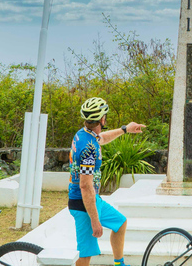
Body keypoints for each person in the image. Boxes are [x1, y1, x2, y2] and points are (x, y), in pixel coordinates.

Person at [68, 97, 146, 266]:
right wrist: (94, 220)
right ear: (102, 119)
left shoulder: (85, 135)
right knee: (86, 254)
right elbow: (85, 185)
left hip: (91, 200)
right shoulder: (89, 149)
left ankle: (119, 264)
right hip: (83, 204)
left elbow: (102, 138)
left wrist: (125, 129)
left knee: (120, 222)